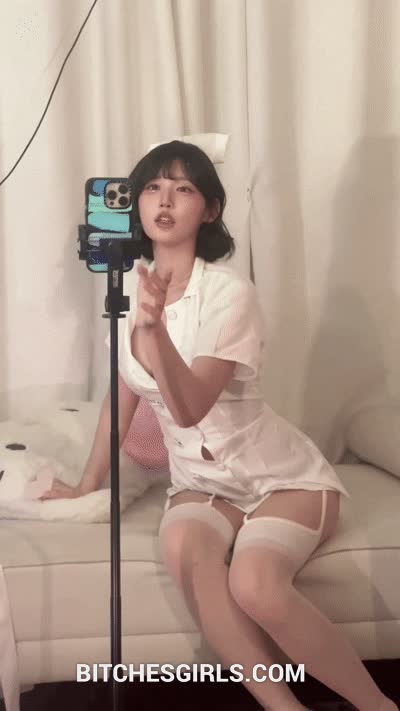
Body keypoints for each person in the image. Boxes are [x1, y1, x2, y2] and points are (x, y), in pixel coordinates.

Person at [41, 141, 398, 711]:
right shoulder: (127, 294)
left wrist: (154, 334)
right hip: (199, 485)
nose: (164, 200)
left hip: (281, 479)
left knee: (254, 584)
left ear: (208, 209)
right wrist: (87, 485)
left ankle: (378, 705)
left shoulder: (231, 294)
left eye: (183, 188)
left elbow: (190, 408)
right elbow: (122, 398)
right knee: (187, 555)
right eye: (152, 187)